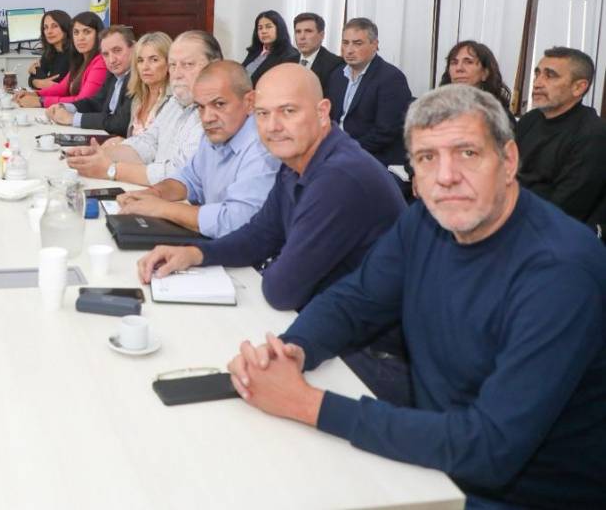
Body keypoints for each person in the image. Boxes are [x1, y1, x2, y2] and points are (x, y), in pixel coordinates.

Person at [224, 85, 606, 508]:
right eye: (427, 158)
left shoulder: (559, 271)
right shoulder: (427, 221)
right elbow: (355, 299)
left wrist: (307, 404)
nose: (446, 176)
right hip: (436, 454)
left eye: (467, 153)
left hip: (515, 493)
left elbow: (491, 448)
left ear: (509, 160)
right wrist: (295, 348)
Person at [137, 64, 408, 402]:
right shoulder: (298, 160)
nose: (273, 126)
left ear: (323, 112)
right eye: (263, 114)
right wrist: (195, 253)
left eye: (288, 111)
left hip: (370, 360)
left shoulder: (340, 176)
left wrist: (273, 261)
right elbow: (260, 234)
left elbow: (282, 288)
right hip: (326, 330)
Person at [116, 61, 279, 238]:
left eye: (219, 104)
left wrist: (161, 208)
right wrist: (152, 194)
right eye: (201, 107)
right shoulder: (215, 134)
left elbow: (235, 221)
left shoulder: (263, 149)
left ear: (249, 102)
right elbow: (189, 179)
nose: (207, 117)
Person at [64, 31, 219, 185]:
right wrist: (99, 154)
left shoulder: (215, 115)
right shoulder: (175, 103)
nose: (177, 74)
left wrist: (112, 169)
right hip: (158, 194)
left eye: (187, 64)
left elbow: (181, 174)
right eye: (173, 65)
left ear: (215, 66)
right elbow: (148, 142)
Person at [515, 47, 606, 225]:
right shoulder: (530, 119)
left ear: (579, 87)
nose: (537, 83)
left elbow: (564, 208)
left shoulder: (593, 135)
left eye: (550, 75)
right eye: (537, 74)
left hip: (547, 231)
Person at [327, 17, 412, 167]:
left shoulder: (391, 78)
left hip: (372, 157)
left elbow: (385, 133)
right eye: (345, 43)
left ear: (375, 45)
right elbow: (330, 119)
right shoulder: (337, 75)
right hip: (338, 150)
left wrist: (346, 150)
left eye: (357, 43)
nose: (349, 50)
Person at [42, 24, 136, 134]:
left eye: (117, 50)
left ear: (134, 48)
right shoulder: (113, 74)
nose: (111, 60)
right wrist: (65, 107)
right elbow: (96, 103)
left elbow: (121, 123)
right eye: (105, 54)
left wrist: (72, 118)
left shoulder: (139, 79)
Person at [15, 12, 106, 109]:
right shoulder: (80, 60)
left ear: (98, 35)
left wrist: (41, 101)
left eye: (87, 32)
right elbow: (62, 88)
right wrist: (34, 94)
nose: (80, 38)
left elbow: (82, 101)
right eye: (76, 32)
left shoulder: (100, 62)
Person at [438, 39, 514, 121]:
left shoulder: (499, 116)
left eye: (468, 62)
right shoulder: (436, 109)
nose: (459, 68)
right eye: (454, 63)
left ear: (485, 73)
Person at [124, 32, 171, 136]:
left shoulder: (174, 101)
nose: (145, 67)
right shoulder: (137, 99)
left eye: (154, 60)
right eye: (140, 60)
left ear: (169, 63)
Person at [241, 10, 300, 85]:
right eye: (260, 28)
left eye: (268, 27)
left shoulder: (290, 56)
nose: (263, 31)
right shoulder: (255, 52)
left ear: (279, 29)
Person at [293, 12, 343, 97]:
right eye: (298, 32)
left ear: (321, 35)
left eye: (308, 31)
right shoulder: (287, 61)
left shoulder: (335, 64)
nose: (302, 37)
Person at [27, 10, 73, 89]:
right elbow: (34, 80)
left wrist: (36, 73)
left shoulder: (74, 53)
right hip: (50, 97)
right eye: (46, 27)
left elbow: (55, 84)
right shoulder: (49, 52)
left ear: (65, 28)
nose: (49, 31)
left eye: (54, 26)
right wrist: (36, 81)